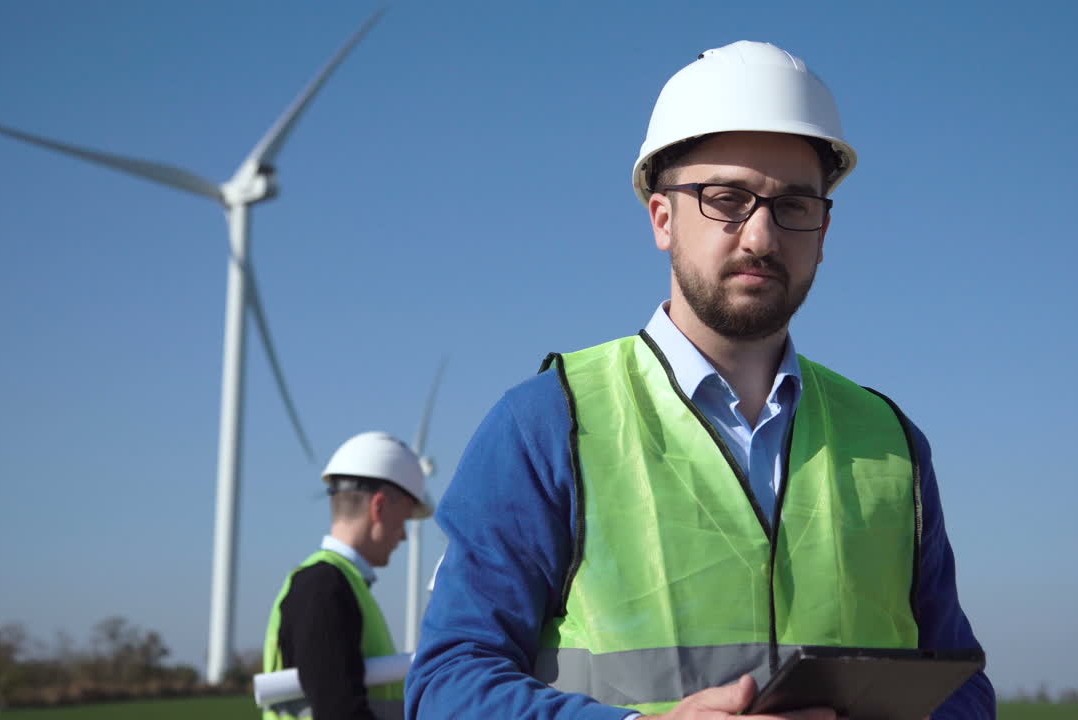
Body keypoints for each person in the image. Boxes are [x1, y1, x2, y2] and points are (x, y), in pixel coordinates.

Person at [406, 41, 995, 720]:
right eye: (726, 199)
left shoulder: (891, 445)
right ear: (662, 218)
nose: (760, 236)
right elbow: (448, 683)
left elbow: (963, 685)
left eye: (794, 205)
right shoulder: (546, 423)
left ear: (825, 229)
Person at [264, 431, 434, 720]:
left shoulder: (339, 585)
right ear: (379, 507)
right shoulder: (323, 587)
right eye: (404, 519)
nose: (404, 536)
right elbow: (339, 711)